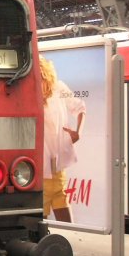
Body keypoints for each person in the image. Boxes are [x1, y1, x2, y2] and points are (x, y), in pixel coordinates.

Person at [40, 56, 86, 223]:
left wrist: (78, 133)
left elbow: (80, 107)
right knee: (42, 227)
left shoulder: (59, 88)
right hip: (41, 171)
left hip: (55, 170)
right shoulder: (29, 95)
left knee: (66, 226)